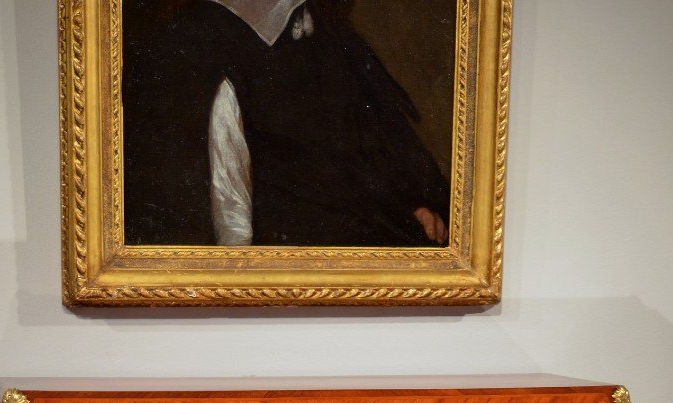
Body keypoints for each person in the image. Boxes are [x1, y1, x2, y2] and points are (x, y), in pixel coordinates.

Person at [122, 0, 450, 247]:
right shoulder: (198, 44)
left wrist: (417, 203)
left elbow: (383, 145)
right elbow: (229, 221)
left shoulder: (328, 34)